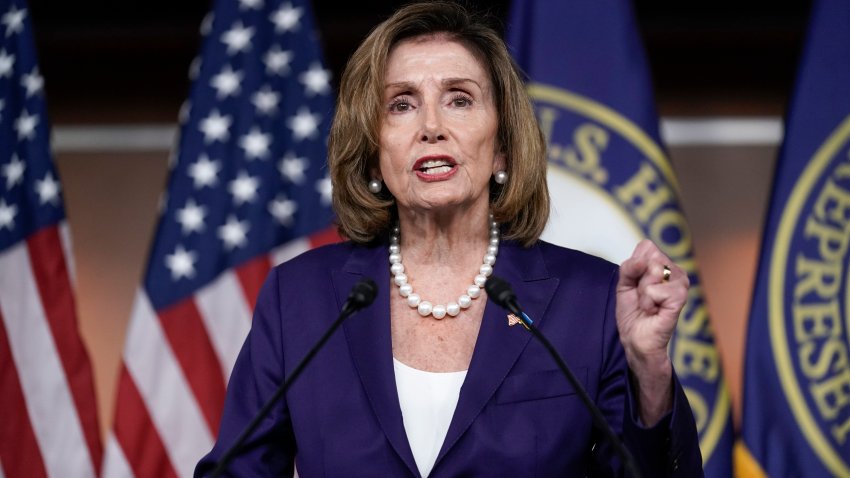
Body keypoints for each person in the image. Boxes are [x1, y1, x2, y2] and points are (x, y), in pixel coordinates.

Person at [196, 1, 703, 476]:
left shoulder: (589, 299)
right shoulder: (300, 298)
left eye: (459, 99)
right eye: (401, 105)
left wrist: (649, 373)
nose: (431, 126)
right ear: (374, 152)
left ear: (502, 147)